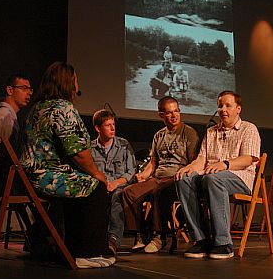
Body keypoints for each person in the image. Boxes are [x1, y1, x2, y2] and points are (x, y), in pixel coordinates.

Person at [20, 62, 115, 269]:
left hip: (31, 176)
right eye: (75, 81)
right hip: (46, 177)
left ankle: (71, 249)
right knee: (96, 188)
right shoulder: (62, 108)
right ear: (67, 83)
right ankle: (88, 252)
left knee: (81, 186)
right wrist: (98, 174)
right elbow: (78, 152)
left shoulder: (37, 108)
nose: (77, 86)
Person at [175, 90, 261, 259]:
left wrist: (225, 164)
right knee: (183, 179)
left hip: (240, 177)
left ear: (238, 109)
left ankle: (223, 243)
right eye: (220, 106)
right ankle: (201, 239)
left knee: (212, 179)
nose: (223, 109)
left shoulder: (248, 129)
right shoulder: (211, 131)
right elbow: (202, 159)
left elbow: (248, 159)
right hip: (211, 176)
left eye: (228, 105)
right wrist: (190, 167)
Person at [122, 96, 199, 253]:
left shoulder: (189, 133)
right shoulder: (158, 135)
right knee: (129, 192)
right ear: (161, 115)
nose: (174, 115)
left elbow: (193, 163)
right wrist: (143, 175)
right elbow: (153, 163)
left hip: (176, 178)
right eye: (169, 112)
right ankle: (141, 234)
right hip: (157, 177)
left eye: (176, 111)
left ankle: (160, 236)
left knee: (159, 192)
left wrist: (184, 174)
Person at [91, 109, 136, 255]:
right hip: (100, 185)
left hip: (119, 185)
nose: (112, 128)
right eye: (107, 125)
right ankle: (95, 238)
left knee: (118, 195)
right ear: (98, 128)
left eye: (113, 124)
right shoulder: (90, 148)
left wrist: (116, 183)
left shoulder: (123, 145)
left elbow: (131, 171)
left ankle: (113, 239)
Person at [0, 73, 33, 163]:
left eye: (30, 90)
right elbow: (0, 151)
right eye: (24, 88)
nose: (29, 93)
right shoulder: (5, 116)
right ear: (10, 90)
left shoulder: (8, 115)